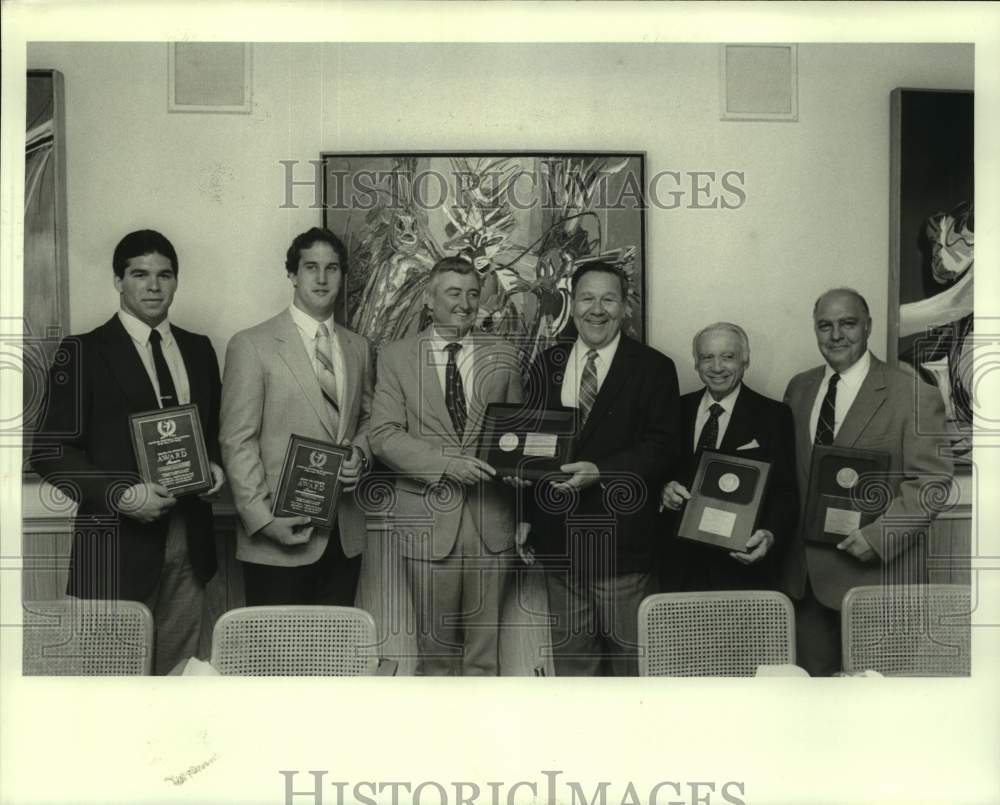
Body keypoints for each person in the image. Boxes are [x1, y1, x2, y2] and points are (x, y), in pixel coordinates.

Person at [31, 230, 226, 675]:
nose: (153, 286)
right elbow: (48, 450)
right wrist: (121, 493)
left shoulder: (199, 349)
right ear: (118, 281)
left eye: (164, 275)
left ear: (176, 281)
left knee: (178, 683)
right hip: (115, 547)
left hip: (189, 541)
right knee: (112, 691)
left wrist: (214, 464)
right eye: (139, 274)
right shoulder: (82, 351)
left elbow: (211, 430)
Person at [781, 287, 953, 675]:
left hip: (875, 581)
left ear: (869, 326)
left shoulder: (912, 393)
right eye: (825, 325)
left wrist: (879, 537)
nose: (836, 335)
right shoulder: (799, 388)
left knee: (877, 708)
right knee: (815, 707)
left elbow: (933, 483)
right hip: (805, 581)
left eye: (848, 323)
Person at [519, 261, 681, 676]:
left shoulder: (655, 368)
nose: (598, 309)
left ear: (625, 307)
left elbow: (664, 448)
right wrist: (523, 517)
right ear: (573, 306)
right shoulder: (546, 363)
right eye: (588, 298)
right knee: (574, 669)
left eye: (609, 299)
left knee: (632, 669)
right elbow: (532, 448)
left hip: (622, 548)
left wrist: (601, 471)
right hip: (558, 544)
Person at [369, 256, 523, 675]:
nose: (465, 303)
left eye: (473, 294)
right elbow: (382, 434)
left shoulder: (505, 355)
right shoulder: (396, 357)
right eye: (454, 293)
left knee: (484, 659)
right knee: (435, 658)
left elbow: (518, 439)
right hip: (427, 521)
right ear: (429, 299)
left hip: (492, 523)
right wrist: (446, 465)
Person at [220, 227, 373, 607]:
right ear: (292, 274)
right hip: (279, 534)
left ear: (342, 276)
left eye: (332, 269)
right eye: (311, 268)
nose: (322, 279)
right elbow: (236, 440)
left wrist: (361, 454)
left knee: (334, 657)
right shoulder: (251, 345)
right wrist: (264, 520)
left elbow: (370, 421)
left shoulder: (358, 348)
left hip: (343, 535)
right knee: (277, 661)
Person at [659, 322, 797, 592]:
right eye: (707, 357)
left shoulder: (774, 416)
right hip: (677, 567)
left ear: (746, 361)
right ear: (696, 364)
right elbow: (658, 468)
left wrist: (769, 534)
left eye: (728, 356)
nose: (717, 367)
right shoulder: (674, 409)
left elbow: (785, 492)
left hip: (740, 568)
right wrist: (663, 490)